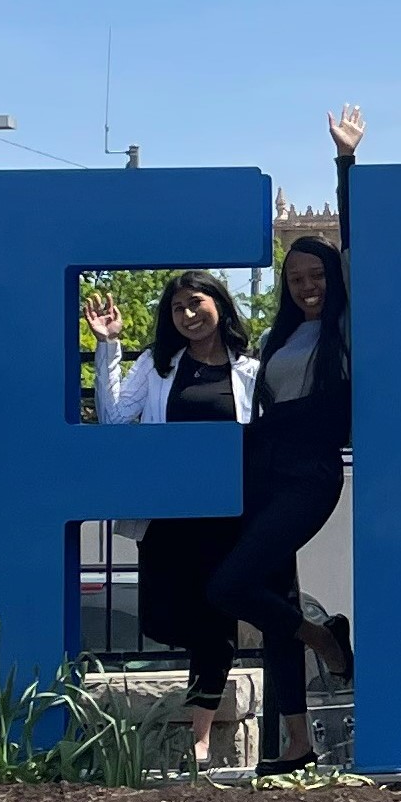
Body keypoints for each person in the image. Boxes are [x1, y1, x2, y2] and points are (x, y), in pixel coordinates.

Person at [206, 105, 361, 777]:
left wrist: (345, 164)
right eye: (296, 279)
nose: (307, 287)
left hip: (310, 474)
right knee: (276, 605)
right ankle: (297, 743)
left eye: (316, 276)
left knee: (231, 584)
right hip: (263, 470)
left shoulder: (347, 330)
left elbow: (357, 252)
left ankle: (324, 640)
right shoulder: (277, 337)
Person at [87, 272, 258, 768]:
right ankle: (208, 653)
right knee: (160, 618)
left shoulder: (250, 369)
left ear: (219, 305)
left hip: (227, 518)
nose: (188, 315)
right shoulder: (157, 365)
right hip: (168, 517)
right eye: (178, 308)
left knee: (216, 623)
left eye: (196, 303)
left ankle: (200, 738)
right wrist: (108, 347)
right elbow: (115, 419)